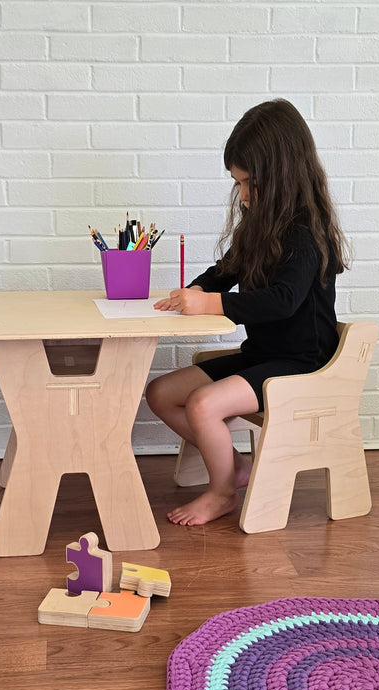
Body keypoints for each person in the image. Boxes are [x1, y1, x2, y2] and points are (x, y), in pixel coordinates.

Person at [146, 98, 350, 528]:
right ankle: (234, 467)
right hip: (262, 354)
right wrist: (199, 289)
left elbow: (283, 300)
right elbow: (228, 269)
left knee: (203, 405)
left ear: (281, 176)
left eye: (248, 183)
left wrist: (214, 304)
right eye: (237, 183)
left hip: (302, 364)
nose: (242, 195)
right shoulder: (260, 223)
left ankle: (222, 493)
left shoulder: (305, 233)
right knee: (161, 393)